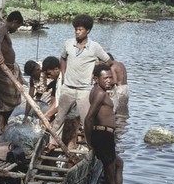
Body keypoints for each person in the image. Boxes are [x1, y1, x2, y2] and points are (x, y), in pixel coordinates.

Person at [52, 14, 112, 144]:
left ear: (88, 31)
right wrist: (63, 74)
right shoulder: (68, 43)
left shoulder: (94, 46)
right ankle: (52, 143)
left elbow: (109, 61)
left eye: (80, 30)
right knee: (59, 118)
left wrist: (96, 71)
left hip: (85, 90)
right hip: (67, 87)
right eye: (76, 29)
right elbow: (62, 58)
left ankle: (91, 145)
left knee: (87, 120)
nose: (77, 32)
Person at [84, 64, 123, 184]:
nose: (109, 81)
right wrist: (89, 142)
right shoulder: (100, 93)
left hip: (103, 135)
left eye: (110, 78)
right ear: (95, 79)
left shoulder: (96, 90)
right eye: (105, 78)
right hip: (103, 136)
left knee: (119, 163)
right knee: (110, 172)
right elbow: (88, 118)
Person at [0, 10, 24, 136]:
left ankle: (3, 124)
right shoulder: (3, 28)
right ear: (14, 22)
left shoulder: (5, 29)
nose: (16, 29)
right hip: (3, 72)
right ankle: (0, 126)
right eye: (18, 26)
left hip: (9, 69)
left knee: (14, 99)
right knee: (6, 100)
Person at [107, 52, 129, 117]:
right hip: (126, 87)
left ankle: (116, 123)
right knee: (123, 108)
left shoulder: (112, 67)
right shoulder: (121, 64)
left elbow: (115, 81)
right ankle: (123, 123)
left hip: (119, 89)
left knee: (116, 107)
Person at [41, 56, 62, 123]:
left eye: (49, 73)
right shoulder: (56, 79)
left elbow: (58, 102)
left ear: (56, 69)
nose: (49, 76)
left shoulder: (61, 79)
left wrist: (46, 115)